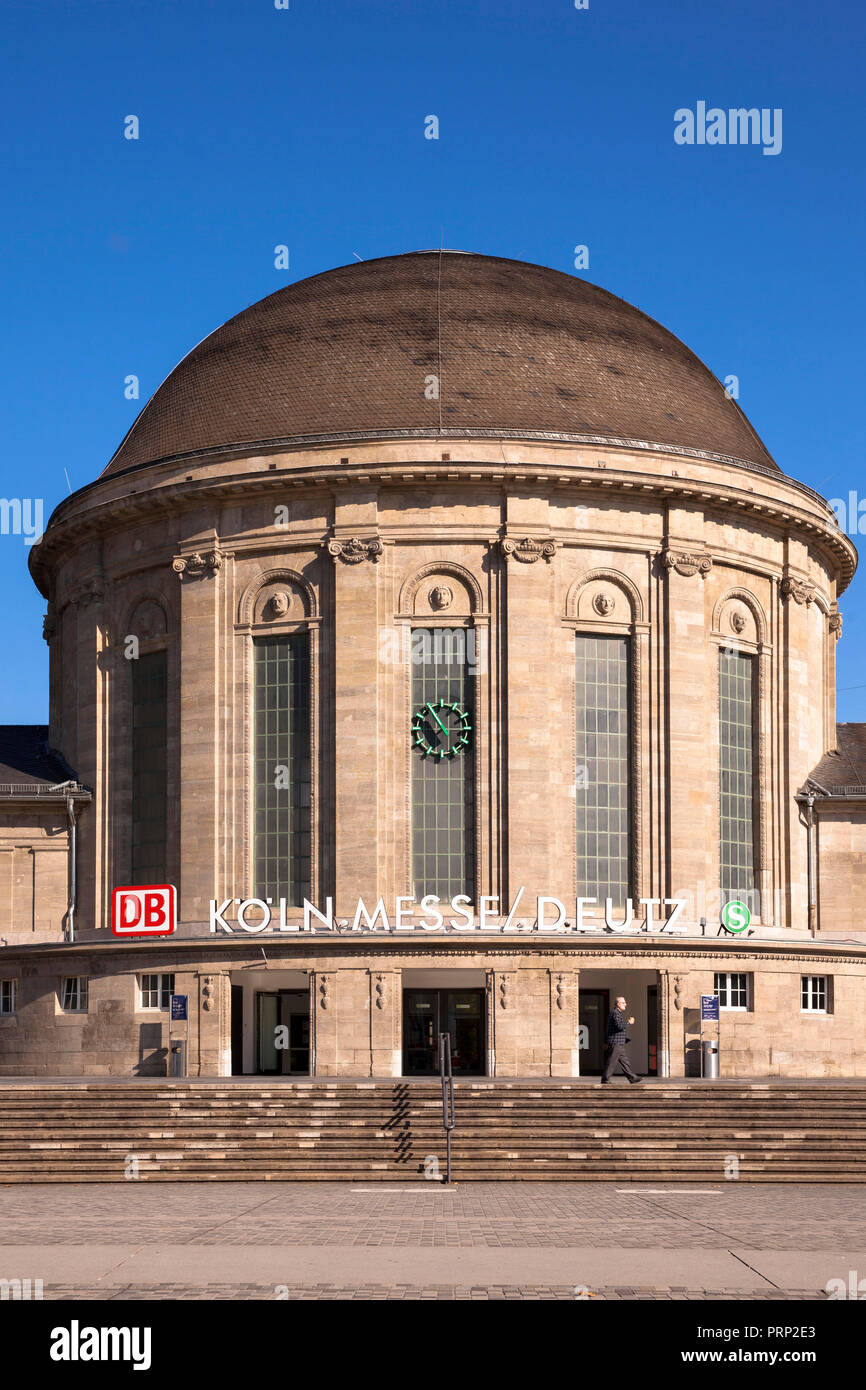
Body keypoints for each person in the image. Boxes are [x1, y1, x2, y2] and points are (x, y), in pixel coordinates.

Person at [600, 995, 643, 1084]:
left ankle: (632, 1077)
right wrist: (628, 1022)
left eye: (625, 1002)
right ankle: (605, 1079)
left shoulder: (616, 1013)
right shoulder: (615, 1013)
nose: (625, 1004)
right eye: (623, 1003)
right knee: (612, 1061)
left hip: (618, 1043)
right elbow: (619, 1026)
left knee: (624, 1062)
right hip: (615, 1043)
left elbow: (609, 1029)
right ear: (618, 1004)